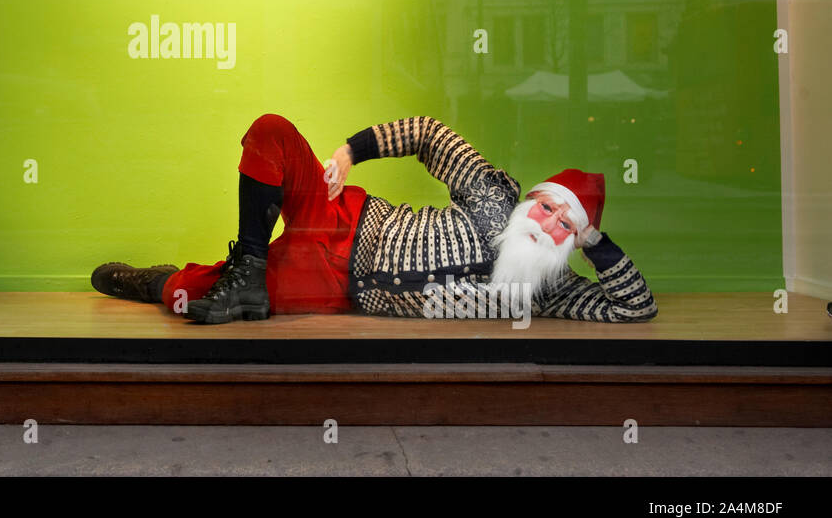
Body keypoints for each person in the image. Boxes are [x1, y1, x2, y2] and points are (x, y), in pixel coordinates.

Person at [91, 113, 657, 325]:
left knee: (190, 295)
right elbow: (427, 134)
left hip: (339, 287)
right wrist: (348, 154)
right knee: (272, 133)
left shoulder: (551, 292)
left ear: (574, 241)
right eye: (548, 203)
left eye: (567, 222)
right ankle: (250, 265)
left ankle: (154, 280)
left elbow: (637, 306)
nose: (547, 220)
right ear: (532, 196)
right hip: (346, 219)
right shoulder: (494, 195)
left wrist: (598, 245)